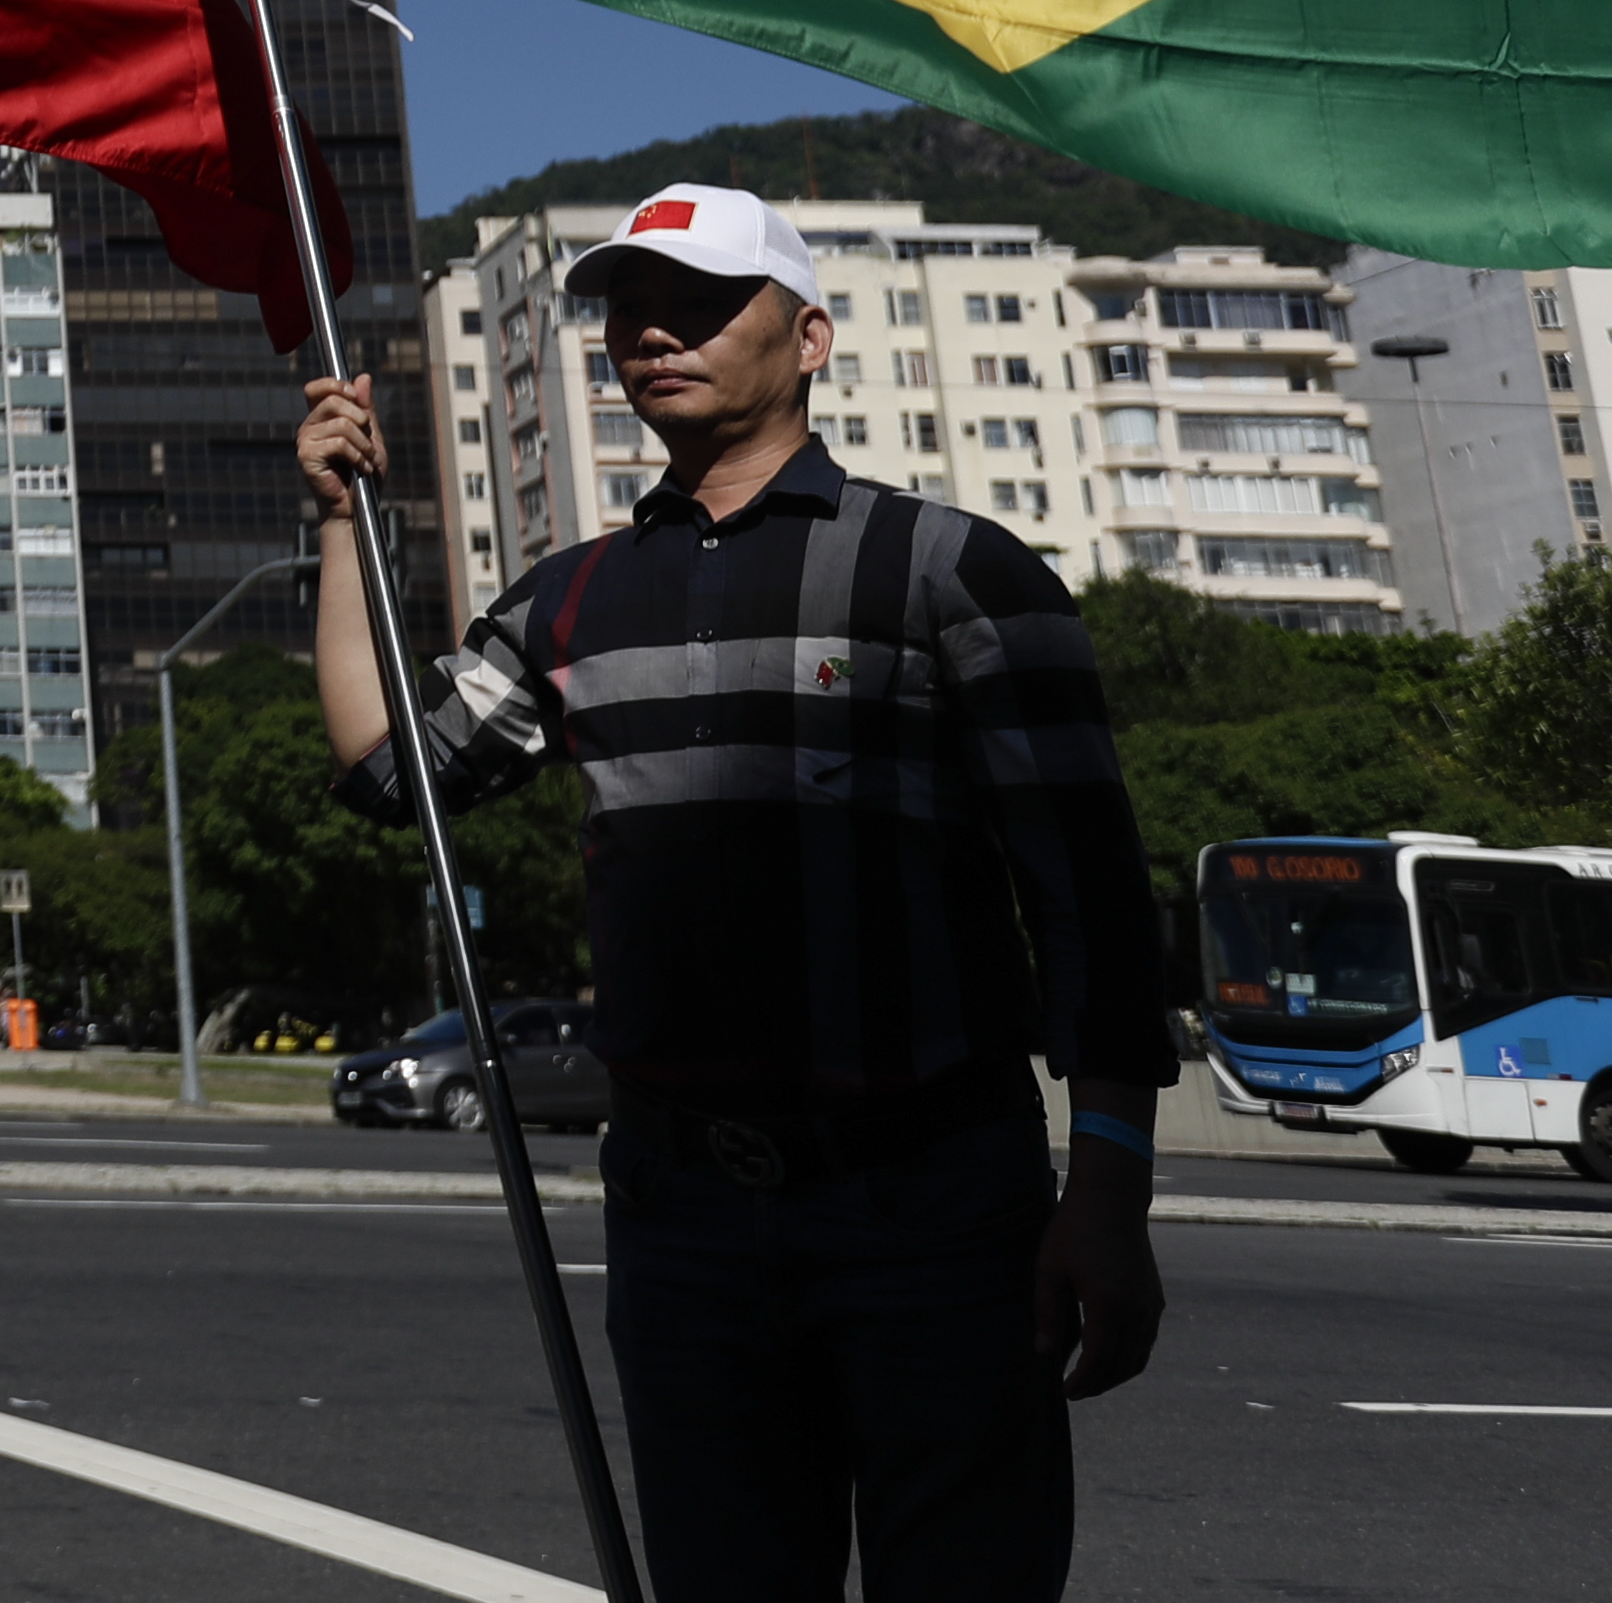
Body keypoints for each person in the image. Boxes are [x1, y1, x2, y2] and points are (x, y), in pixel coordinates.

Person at [299, 179, 1174, 1603]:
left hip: (935, 1211)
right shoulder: (566, 604)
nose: (657, 331)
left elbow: (1088, 904)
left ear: (812, 338)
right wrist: (340, 523)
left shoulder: (956, 574)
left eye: (705, 303)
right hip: (684, 1215)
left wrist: (1113, 1190)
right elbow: (394, 771)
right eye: (632, 309)